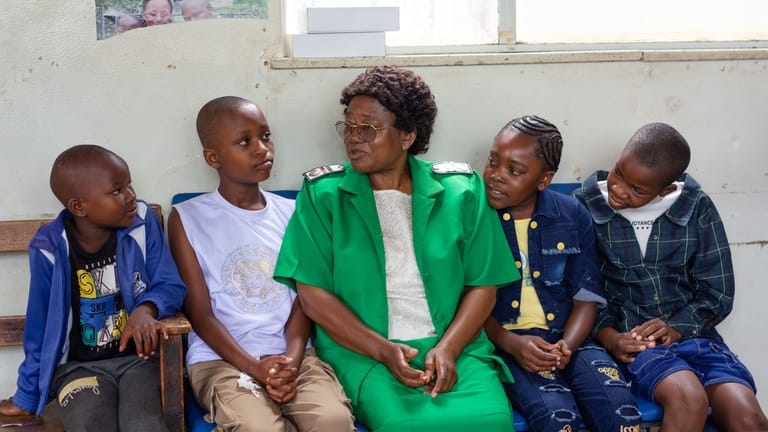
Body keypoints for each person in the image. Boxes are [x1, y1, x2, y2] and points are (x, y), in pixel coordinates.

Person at [274, 65, 520, 432]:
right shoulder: (324, 195)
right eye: (349, 126)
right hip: (364, 353)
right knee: (403, 426)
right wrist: (383, 351)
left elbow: (483, 286)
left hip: (456, 348)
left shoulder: (461, 190)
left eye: (369, 129)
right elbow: (312, 295)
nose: (353, 138)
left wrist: (449, 349)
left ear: (407, 136)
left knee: (491, 423)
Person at [167, 96, 354, 432]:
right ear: (213, 157)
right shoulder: (188, 218)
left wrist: (292, 360)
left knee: (334, 421)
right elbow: (200, 314)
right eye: (244, 141)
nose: (262, 149)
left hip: (294, 355)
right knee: (259, 429)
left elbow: (304, 299)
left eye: (265, 136)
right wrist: (257, 369)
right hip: (222, 360)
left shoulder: (293, 212)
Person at [573, 122, 768, 432]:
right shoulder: (583, 208)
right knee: (689, 400)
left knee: (749, 418)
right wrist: (609, 336)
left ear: (665, 189)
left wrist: (677, 328)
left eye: (637, 190)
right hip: (639, 345)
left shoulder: (696, 208)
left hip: (699, 341)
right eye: (619, 173)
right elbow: (583, 290)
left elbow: (717, 292)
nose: (620, 190)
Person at [0, 144, 187, 432]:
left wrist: (146, 310)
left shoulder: (141, 223)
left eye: (129, 185)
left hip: (139, 363)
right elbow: (39, 325)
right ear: (79, 207)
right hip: (78, 369)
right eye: (117, 191)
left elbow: (170, 284)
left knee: (143, 425)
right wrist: (27, 395)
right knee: (90, 423)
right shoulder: (49, 248)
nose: (131, 196)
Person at [482, 115, 641, 432]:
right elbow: (469, 300)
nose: (496, 176)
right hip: (509, 347)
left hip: (573, 343)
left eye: (514, 171)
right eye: (492, 162)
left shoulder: (571, 214)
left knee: (622, 415)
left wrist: (567, 346)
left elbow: (586, 296)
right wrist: (513, 344)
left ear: (544, 180)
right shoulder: (477, 217)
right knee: (558, 420)